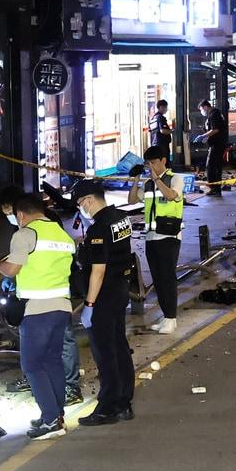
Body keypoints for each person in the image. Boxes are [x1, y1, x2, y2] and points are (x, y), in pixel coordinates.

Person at [0, 194, 78, 439]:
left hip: (36, 311)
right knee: (52, 361)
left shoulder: (24, 234)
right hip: (62, 308)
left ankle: (51, 420)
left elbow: (11, 269)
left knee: (32, 365)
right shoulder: (61, 234)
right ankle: (55, 414)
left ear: (21, 215)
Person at [70, 180, 137, 426]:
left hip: (103, 295)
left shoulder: (98, 229)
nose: (80, 209)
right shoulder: (120, 217)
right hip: (121, 289)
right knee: (119, 345)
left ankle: (107, 406)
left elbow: (97, 271)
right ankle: (124, 403)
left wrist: (88, 305)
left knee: (105, 352)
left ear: (88, 200)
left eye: (80, 204)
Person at [128, 144, 183, 334]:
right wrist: (136, 180)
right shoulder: (149, 183)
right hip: (151, 237)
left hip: (169, 236)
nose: (151, 166)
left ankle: (171, 318)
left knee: (167, 278)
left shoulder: (175, 179)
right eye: (148, 163)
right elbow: (132, 200)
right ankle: (166, 317)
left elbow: (170, 195)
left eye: (154, 162)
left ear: (163, 161)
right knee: (158, 279)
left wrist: (157, 178)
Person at [194, 99, 228, 197]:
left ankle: (215, 188)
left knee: (213, 167)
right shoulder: (212, 115)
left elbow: (215, 129)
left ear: (205, 107)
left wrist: (203, 136)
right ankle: (214, 188)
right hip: (215, 144)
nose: (201, 112)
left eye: (201, 109)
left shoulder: (214, 114)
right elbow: (213, 130)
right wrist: (207, 137)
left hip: (217, 145)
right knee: (211, 166)